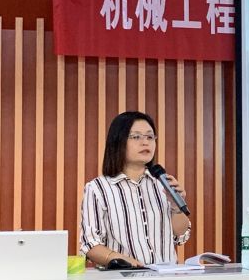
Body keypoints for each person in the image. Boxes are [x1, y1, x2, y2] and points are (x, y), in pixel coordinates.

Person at [80, 111, 191, 268]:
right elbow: (90, 244)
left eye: (150, 137)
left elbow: (180, 236)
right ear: (118, 141)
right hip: (123, 278)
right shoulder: (98, 189)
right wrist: (120, 260)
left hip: (166, 277)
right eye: (136, 137)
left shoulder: (163, 185)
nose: (145, 142)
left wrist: (176, 208)